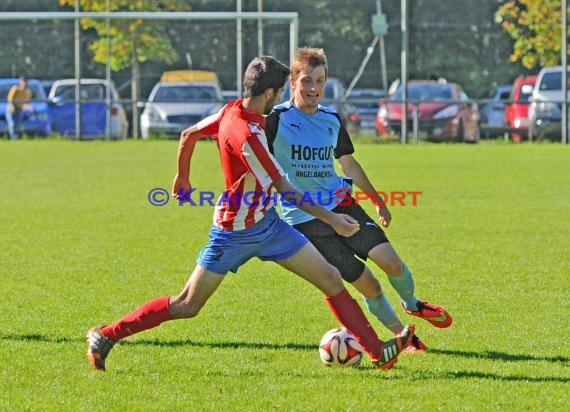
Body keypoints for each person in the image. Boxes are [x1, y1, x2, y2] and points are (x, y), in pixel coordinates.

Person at [86, 56, 414, 372]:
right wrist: (332, 219)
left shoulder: (231, 110)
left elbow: (189, 135)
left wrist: (183, 176)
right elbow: (286, 191)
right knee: (187, 304)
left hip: (269, 226)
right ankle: (107, 334)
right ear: (270, 94)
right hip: (234, 232)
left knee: (330, 278)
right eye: (281, 93)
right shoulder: (251, 138)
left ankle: (377, 352)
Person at [265, 48, 452, 352]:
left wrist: (377, 200)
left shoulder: (331, 120)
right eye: (307, 81)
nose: (313, 89)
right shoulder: (276, 120)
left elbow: (348, 163)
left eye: (320, 81)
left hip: (342, 204)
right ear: (292, 81)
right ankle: (405, 337)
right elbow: (255, 156)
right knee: (369, 284)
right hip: (305, 219)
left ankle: (412, 304)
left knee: (391, 263)